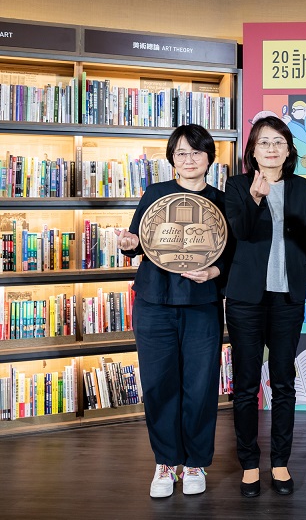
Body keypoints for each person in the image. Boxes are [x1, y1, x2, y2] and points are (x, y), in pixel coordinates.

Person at [117, 124, 229, 498]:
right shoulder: (155, 194)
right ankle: (165, 462)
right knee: (158, 385)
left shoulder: (222, 200)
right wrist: (128, 243)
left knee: (200, 386)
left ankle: (195, 462)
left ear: (209, 158)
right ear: (172, 159)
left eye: (196, 152)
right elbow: (138, 241)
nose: (189, 159)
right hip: (154, 303)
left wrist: (214, 271)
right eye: (181, 152)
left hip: (201, 304)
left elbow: (232, 254)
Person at [224, 115, 306, 498]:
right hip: (246, 300)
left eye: (279, 141)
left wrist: (293, 266)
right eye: (264, 142)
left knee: (283, 383)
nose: (271, 148)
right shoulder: (237, 186)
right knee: (246, 386)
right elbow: (240, 233)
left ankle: (280, 462)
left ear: (288, 150)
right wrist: (255, 198)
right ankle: (249, 464)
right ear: (252, 150)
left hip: (287, 299)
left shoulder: (301, 187)